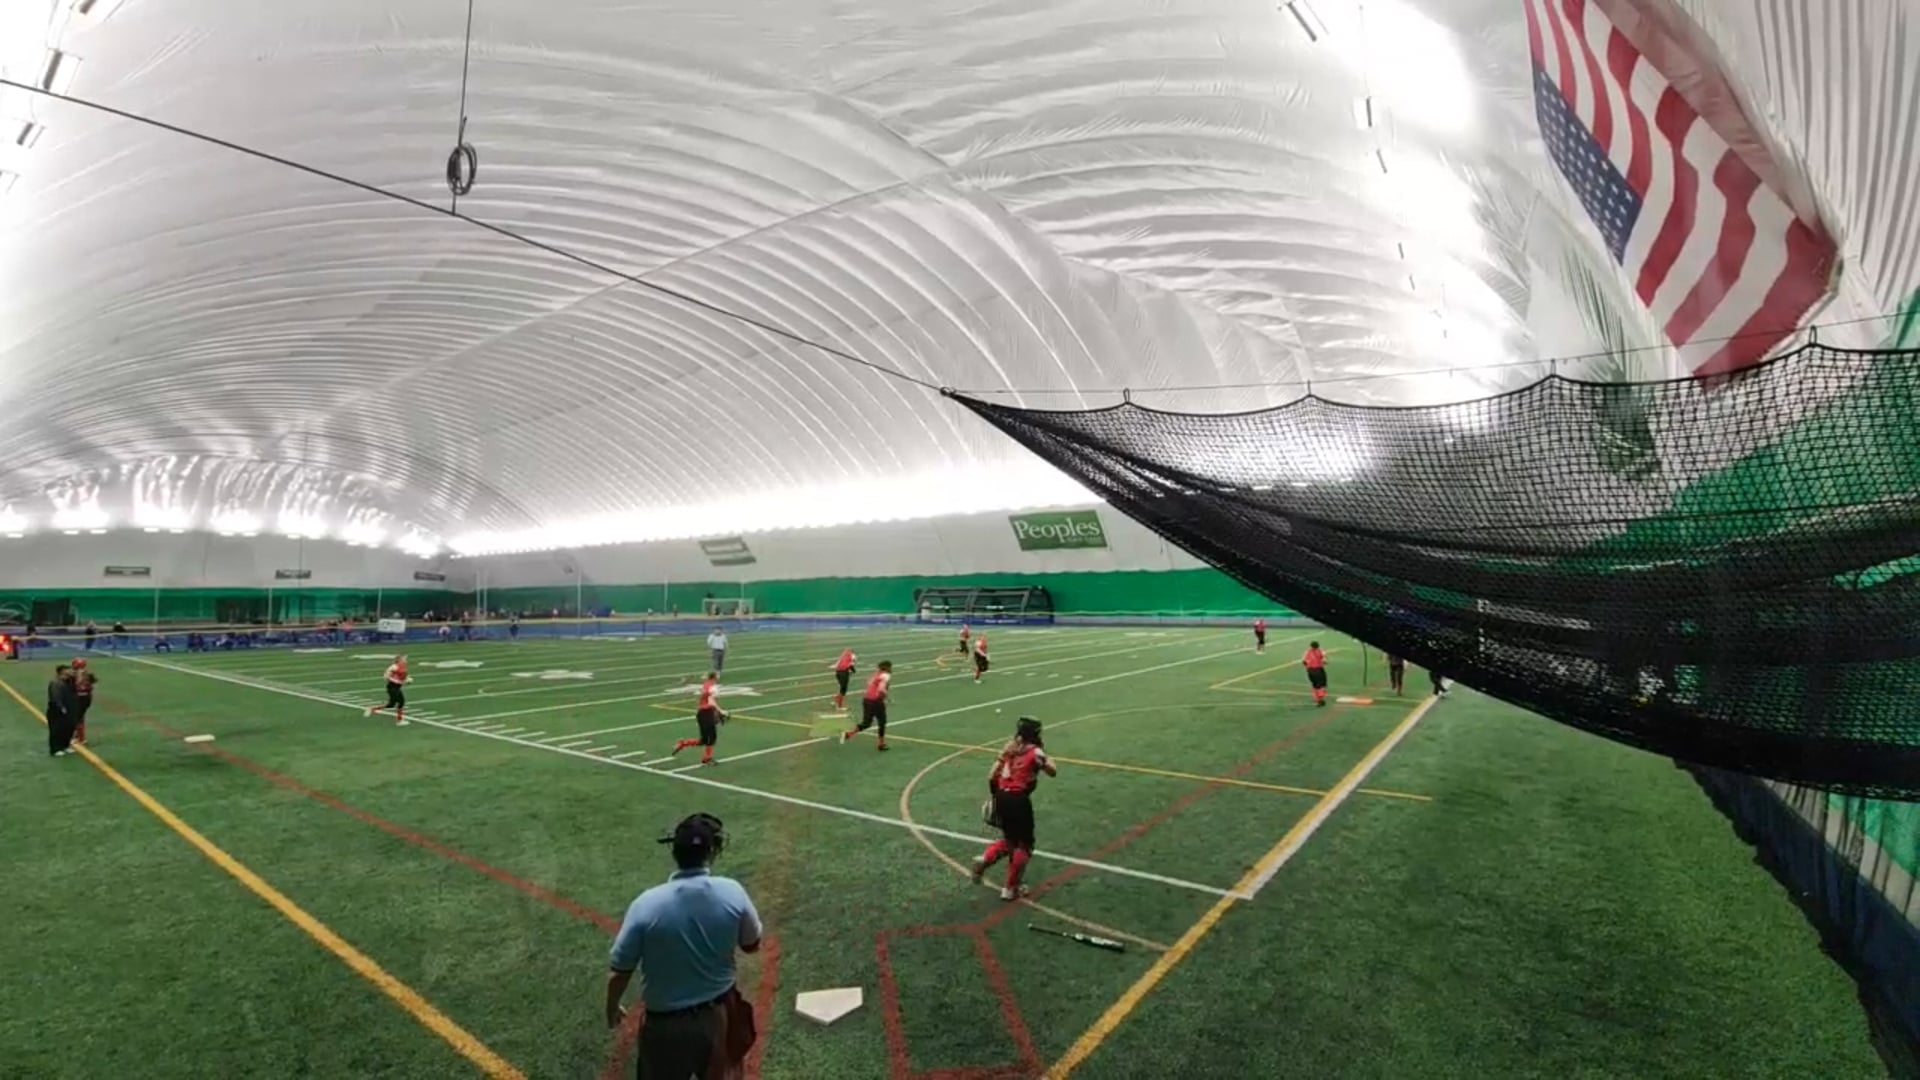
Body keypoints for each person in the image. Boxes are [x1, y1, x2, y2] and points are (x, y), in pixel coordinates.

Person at [605, 813, 763, 1080]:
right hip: (719, 1015)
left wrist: (611, 1007)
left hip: (664, 1024)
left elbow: (620, 971)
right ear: (711, 852)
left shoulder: (646, 905)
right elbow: (751, 944)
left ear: (674, 851)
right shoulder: (732, 891)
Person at [971, 716, 1057, 901]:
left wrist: (996, 797)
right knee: (1024, 845)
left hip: (1002, 796)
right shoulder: (1035, 752)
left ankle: (986, 858)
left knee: (1011, 840)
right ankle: (1010, 889)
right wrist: (1046, 760)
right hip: (1018, 799)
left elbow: (991, 775)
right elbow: (1052, 771)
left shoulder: (1009, 749)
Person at [671, 672, 727, 765]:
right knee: (711, 737)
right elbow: (711, 701)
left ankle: (683, 744)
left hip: (703, 713)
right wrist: (720, 711)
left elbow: (707, 699)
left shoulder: (706, 685)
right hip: (706, 713)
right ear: (714, 678)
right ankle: (707, 758)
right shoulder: (712, 687)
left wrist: (716, 711)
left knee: (704, 740)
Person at [841, 660, 893, 751]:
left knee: (866, 723)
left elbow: (870, 684)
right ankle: (881, 744)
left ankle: (849, 733)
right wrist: (884, 698)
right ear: (887, 667)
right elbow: (881, 689)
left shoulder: (876, 674)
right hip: (876, 701)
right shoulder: (885, 675)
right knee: (882, 722)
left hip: (867, 699)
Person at [366, 655, 410, 726]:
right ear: (399, 660)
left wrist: (407, 680)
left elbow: (403, 676)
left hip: (397, 687)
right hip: (392, 687)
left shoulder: (402, 666)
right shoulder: (394, 667)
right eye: (403, 659)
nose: (405, 660)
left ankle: (372, 709)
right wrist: (397, 681)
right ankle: (399, 721)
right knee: (399, 702)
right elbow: (386, 676)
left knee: (393, 704)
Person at [46, 664, 78, 757]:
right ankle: (55, 749)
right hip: (57, 710)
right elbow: (55, 697)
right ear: (62, 672)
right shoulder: (55, 683)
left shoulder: (69, 682)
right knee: (57, 730)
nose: (71, 672)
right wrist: (61, 707)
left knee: (68, 728)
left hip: (70, 709)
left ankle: (65, 745)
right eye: (68, 670)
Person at [70, 658, 96, 744]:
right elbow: (93, 682)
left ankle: (81, 738)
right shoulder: (88, 674)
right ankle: (78, 735)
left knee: (78, 718)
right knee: (78, 717)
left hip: (80, 698)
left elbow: (76, 684)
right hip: (86, 697)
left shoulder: (75, 675)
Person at [1302, 640, 1328, 707]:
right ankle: (1320, 698)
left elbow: (1304, 661)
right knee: (1319, 684)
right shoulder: (1318, 651)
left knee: (1318, 684)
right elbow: (1324, 659)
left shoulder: (1309, 651)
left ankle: (1319, 698)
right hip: (1316, 670)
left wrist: (1308, 665)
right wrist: (1324, 661)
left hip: (1314, 670)